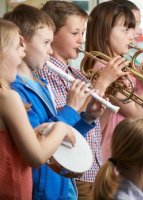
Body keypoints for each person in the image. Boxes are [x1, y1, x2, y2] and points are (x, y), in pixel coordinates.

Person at [4, 4, 104, 200]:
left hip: (60, 189)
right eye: (46, 43)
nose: (50, 51)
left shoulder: (39, 84)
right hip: (41, 191)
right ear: (23, 43)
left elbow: (61, 140)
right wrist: (70, 109)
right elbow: (41, 146)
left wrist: (86, 119)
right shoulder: (16, 91)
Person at [37, 1, 128, 199]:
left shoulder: (77, 75)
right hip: (73, 173)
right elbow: (58, 125)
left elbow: (94, 129)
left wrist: (93, 114)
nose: (81, 40)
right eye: (75, 33)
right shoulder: (44, 74)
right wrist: (102, 83)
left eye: (83, 33)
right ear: (51, 34)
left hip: (95, 168)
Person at [83, 1, 143, 162]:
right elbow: (135, 112)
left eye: (132, 29)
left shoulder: (123, 65)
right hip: (116, 155)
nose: (132, 35)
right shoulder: (103, 66)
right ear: (105, 32)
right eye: (125, 30)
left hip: (132, 148)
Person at [0, 18, 75, 200]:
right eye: (18, 46)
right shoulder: (7, 97)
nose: (23, 52)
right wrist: (62, 126)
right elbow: (36, 156)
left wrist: (36, 131)